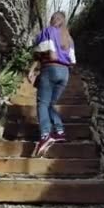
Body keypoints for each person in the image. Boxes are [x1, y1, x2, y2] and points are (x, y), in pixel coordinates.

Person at [28, 11, 76, 157]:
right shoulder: (69, 38)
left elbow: (38, 52)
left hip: (50, 69)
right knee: (49, 104)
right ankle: (60, 131)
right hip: (65, 73)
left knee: (42, 104)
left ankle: (45, 136)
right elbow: (73, 61)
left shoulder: (48, 31)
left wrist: (32, 70)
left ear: (53, 19)